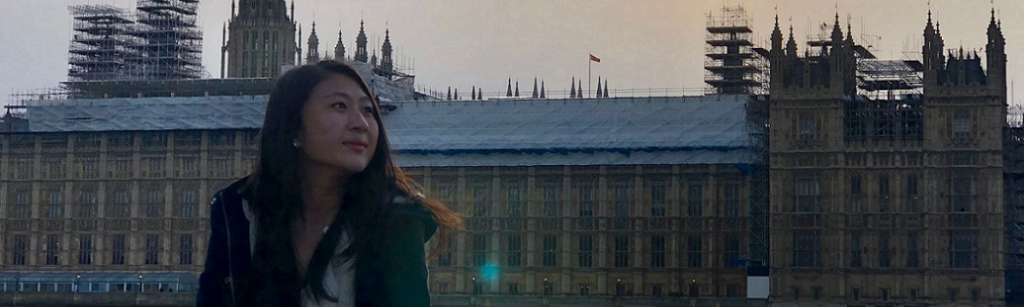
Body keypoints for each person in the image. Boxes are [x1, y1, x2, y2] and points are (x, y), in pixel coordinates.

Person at [196, 60, 461, 307]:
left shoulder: (397, 222)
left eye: (368, 110)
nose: (361, 123)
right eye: (340, 106)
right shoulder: (236, 215)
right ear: (295, 128)